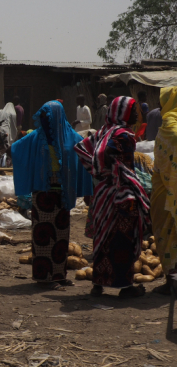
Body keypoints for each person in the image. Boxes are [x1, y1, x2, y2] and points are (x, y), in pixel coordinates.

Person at [12, 100, 93, 290]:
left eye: (48, 118)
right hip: (43, 194)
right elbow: (16, 149)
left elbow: (83, 151)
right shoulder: (36, 137)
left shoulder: (70, 136)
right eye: (43, 118)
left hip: (63, 194)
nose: (45, 122)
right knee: (43, 236)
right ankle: (43, 277)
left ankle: (59, 274)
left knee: (61, 235)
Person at [75, 96, 150, 298]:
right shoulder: (123, 134)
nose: (136, 115)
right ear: (122, 113)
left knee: (103, 236)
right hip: (120, 195)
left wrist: (98, 172)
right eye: (133, 112)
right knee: (123, 238)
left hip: (102, 192)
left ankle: (98, 284)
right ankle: (125, 286)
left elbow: (83, 149)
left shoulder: (103, 131)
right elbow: (107, 153)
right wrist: (118, 171)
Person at [150, 87, 177, 295]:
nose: (159, 107)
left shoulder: (169, 123)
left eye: (161, 103)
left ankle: (171, 279)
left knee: (165, 233)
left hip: (165, 187)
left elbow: (160, 158)